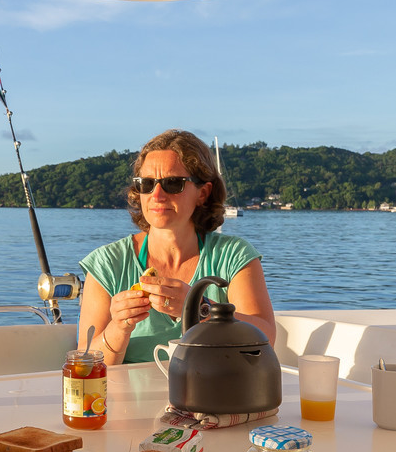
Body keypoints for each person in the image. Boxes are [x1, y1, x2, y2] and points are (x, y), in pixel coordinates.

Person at [78, 129, 273, 364]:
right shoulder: (107, 263)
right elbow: (86, 363)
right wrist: (119, 327)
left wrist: (201, 309)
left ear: (203, 193)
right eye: (147, 184)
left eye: (173, 183)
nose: (157, 195)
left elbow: (266, 340)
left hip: (213, 395)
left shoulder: (234, 256)